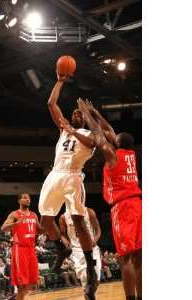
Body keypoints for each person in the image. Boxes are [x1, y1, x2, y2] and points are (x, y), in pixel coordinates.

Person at [38, 72, 100, 300]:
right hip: (55, 174)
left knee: (78, 221)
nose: (75, 115)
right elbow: (51, 103)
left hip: (74, 177)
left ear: (83, 119)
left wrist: (75, 129)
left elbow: (94, 143)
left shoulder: (86, 133)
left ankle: (91, 269)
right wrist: (60, 81)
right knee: (45, 219)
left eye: (78, 113)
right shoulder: (63, 128)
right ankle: (61, 248)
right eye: (73, 112)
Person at [76, 99, 142, 300]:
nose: (110, 136)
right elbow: (108, 129)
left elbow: (98, 134)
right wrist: (96, 112)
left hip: (123, 208)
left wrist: (86, 114)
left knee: (125, 258)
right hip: (138, 205)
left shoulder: (113, 156)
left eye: (114, 138)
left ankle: (130, 297)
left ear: (117, 143)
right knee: (139, 257)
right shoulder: (130, 154)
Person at [1, 193, 44, 300]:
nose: (28, 200)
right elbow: (3, 228)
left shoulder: (34, 215)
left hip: (31, 250)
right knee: (22, 284)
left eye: (29, 198)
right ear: (19, 201)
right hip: (20, 249)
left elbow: (40, 230)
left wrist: (49, 223)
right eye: (25, 198)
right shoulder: (14, 214)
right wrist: (15, 224)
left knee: (32, 284)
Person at [59, 206, 102, 291]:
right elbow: (62, 235)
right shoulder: (64, 217)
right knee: (86, 279)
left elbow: (98, 230)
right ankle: (88, 294)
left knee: (96, 280)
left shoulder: (89, 212)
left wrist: (95, 240)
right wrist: (66, 242)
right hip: (77, 251)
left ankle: (89, 293)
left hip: (92, 249)